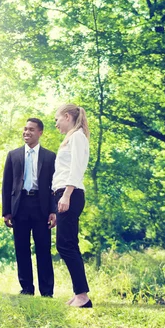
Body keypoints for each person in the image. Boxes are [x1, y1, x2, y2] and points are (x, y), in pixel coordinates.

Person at [2, 118, 56, 297]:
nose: (27, 132)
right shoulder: (13, 155)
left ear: (40, 132)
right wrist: (6, 211)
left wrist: (53, 211)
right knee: (21, 248)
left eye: (31, 129)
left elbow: (54, 186)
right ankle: (26, 289)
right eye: (25, 129)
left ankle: (47, 291)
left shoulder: (49, 157)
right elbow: (7, 184)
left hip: (41, 206)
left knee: (43, 248)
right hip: (20, 206)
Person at [52, 104, 92, 308]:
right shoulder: (72, 138)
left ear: (67, 116)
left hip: (70, 193)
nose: (56, 124)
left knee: (66, 245)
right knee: (67, 244)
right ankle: (79, 294)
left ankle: (82, 296)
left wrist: (66, 195)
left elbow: (76, 168)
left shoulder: (77, 137)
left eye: (57, 119)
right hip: (64, 193)